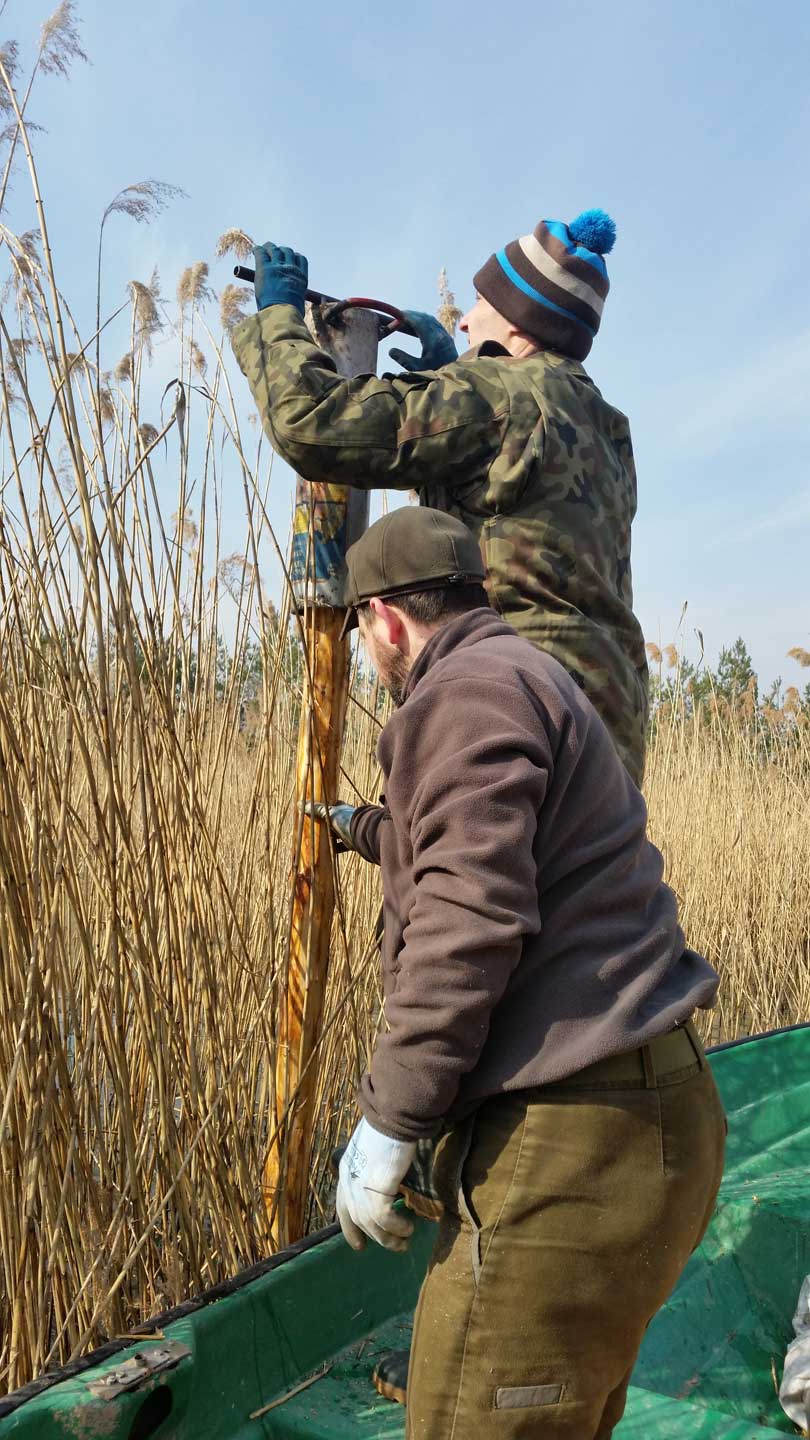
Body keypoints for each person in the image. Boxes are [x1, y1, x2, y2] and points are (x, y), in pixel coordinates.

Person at [321, 505, 725, 1440]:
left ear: (386, 619)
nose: (367, 656)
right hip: (647, 1119)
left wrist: (391, 1118)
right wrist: (362, 830)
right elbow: (478, 842)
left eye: (361, 635)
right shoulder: (526, 675)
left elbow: (468, 920)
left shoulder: (464, 696)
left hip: (574, 1146)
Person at [231, 209, 649, 787]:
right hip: (607, 731)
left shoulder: (495, 394)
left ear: (518, 326)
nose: (467, 320)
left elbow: (311, 422)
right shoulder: (605, 425)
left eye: (481, 303)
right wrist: (452, 372)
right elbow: (512, 513)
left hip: (513, 714)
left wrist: (277, 319)